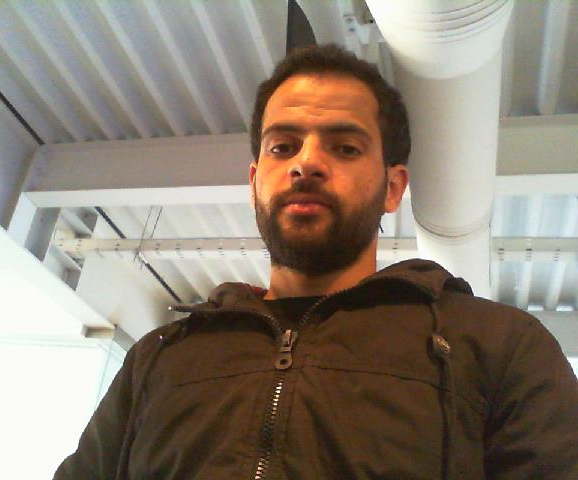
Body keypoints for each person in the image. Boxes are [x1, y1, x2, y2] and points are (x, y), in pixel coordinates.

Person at [54, 44, 578, 479]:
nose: (306, 163)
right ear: (254, 181)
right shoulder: (158, 358)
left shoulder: (497, 345)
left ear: (393, 187)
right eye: (282, 147)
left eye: (345, 148)